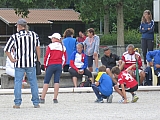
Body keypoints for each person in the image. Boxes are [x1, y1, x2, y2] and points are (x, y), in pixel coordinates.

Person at [4, 18, 40, 108]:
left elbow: (6, 49)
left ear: (19, 26)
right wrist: (38, 59)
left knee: (18, 82)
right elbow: (38, 48)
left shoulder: (15, 36)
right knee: (33, 82)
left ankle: (17, 102)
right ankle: (36, 102)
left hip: (19, 63)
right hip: (31, 62)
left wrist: (12, 59)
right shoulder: (34, 35)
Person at [40, 33, 66, 104]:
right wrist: (62, 65)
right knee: (56, 81)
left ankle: (42, 97)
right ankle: (55, 98)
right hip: (59, 65)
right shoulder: (62, 47)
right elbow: (64, 58)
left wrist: (45, 66)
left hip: (51, 65)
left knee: (46, 81)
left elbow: (47, 57)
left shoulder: (50, 46)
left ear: (54, 39)